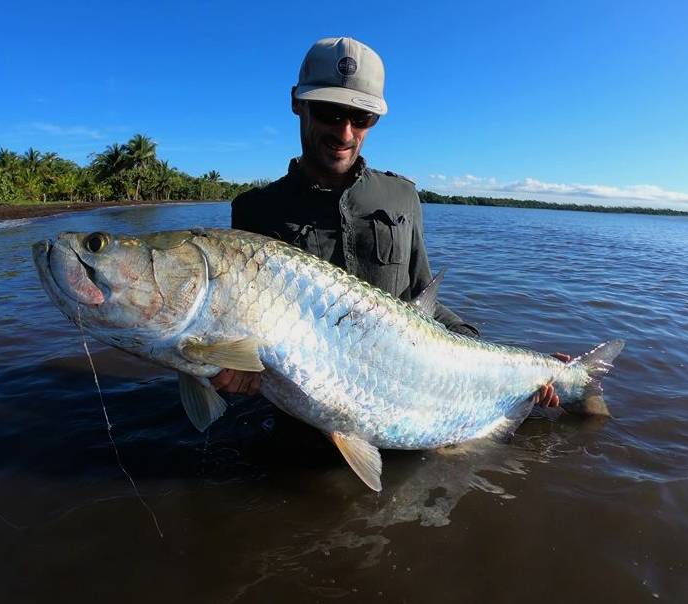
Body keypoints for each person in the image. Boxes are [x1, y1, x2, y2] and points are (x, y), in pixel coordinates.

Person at [211, 37, 566, 407]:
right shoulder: (255, 209)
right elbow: (237, 331)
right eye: (329, 113)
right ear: (297, 103)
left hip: (405, 396)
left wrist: (507, 367)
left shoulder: (402, 197)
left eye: (361, 118)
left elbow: (423, 300)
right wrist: (225, 371)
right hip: (302, 411)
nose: (344, 133)